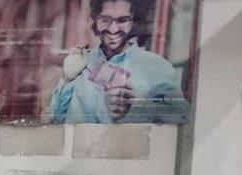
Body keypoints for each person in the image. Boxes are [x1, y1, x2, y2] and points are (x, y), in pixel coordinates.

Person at [50, 0, 190, 124]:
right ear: (95, 20)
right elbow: (57, 121)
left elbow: (181, 117)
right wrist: (68, 79)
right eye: (105, 20)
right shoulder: (81, 62)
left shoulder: (157, 66)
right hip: (81, 152)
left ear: (133, 22)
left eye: (122, 20)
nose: (113, 29)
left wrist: (136, 106)